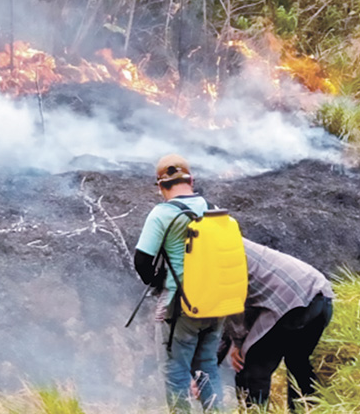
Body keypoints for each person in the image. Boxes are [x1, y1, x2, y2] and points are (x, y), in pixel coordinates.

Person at [134, 155, 225, 412]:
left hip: (181, 304)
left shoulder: (162, 213)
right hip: (217, 302)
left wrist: (159, 280)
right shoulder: (211, 207)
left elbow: (142, 260)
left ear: (160, 186)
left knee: (175, 372)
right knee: (206, 366)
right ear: (191, 180)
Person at [218, 239, 333, 411]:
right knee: (297, 362)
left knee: (251, 370)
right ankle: (310, 409)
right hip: (322, 295)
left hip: (291, 301)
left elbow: (234, 304)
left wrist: (238, 343)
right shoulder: (232, 239)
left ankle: (254, 410)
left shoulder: (216, 256)